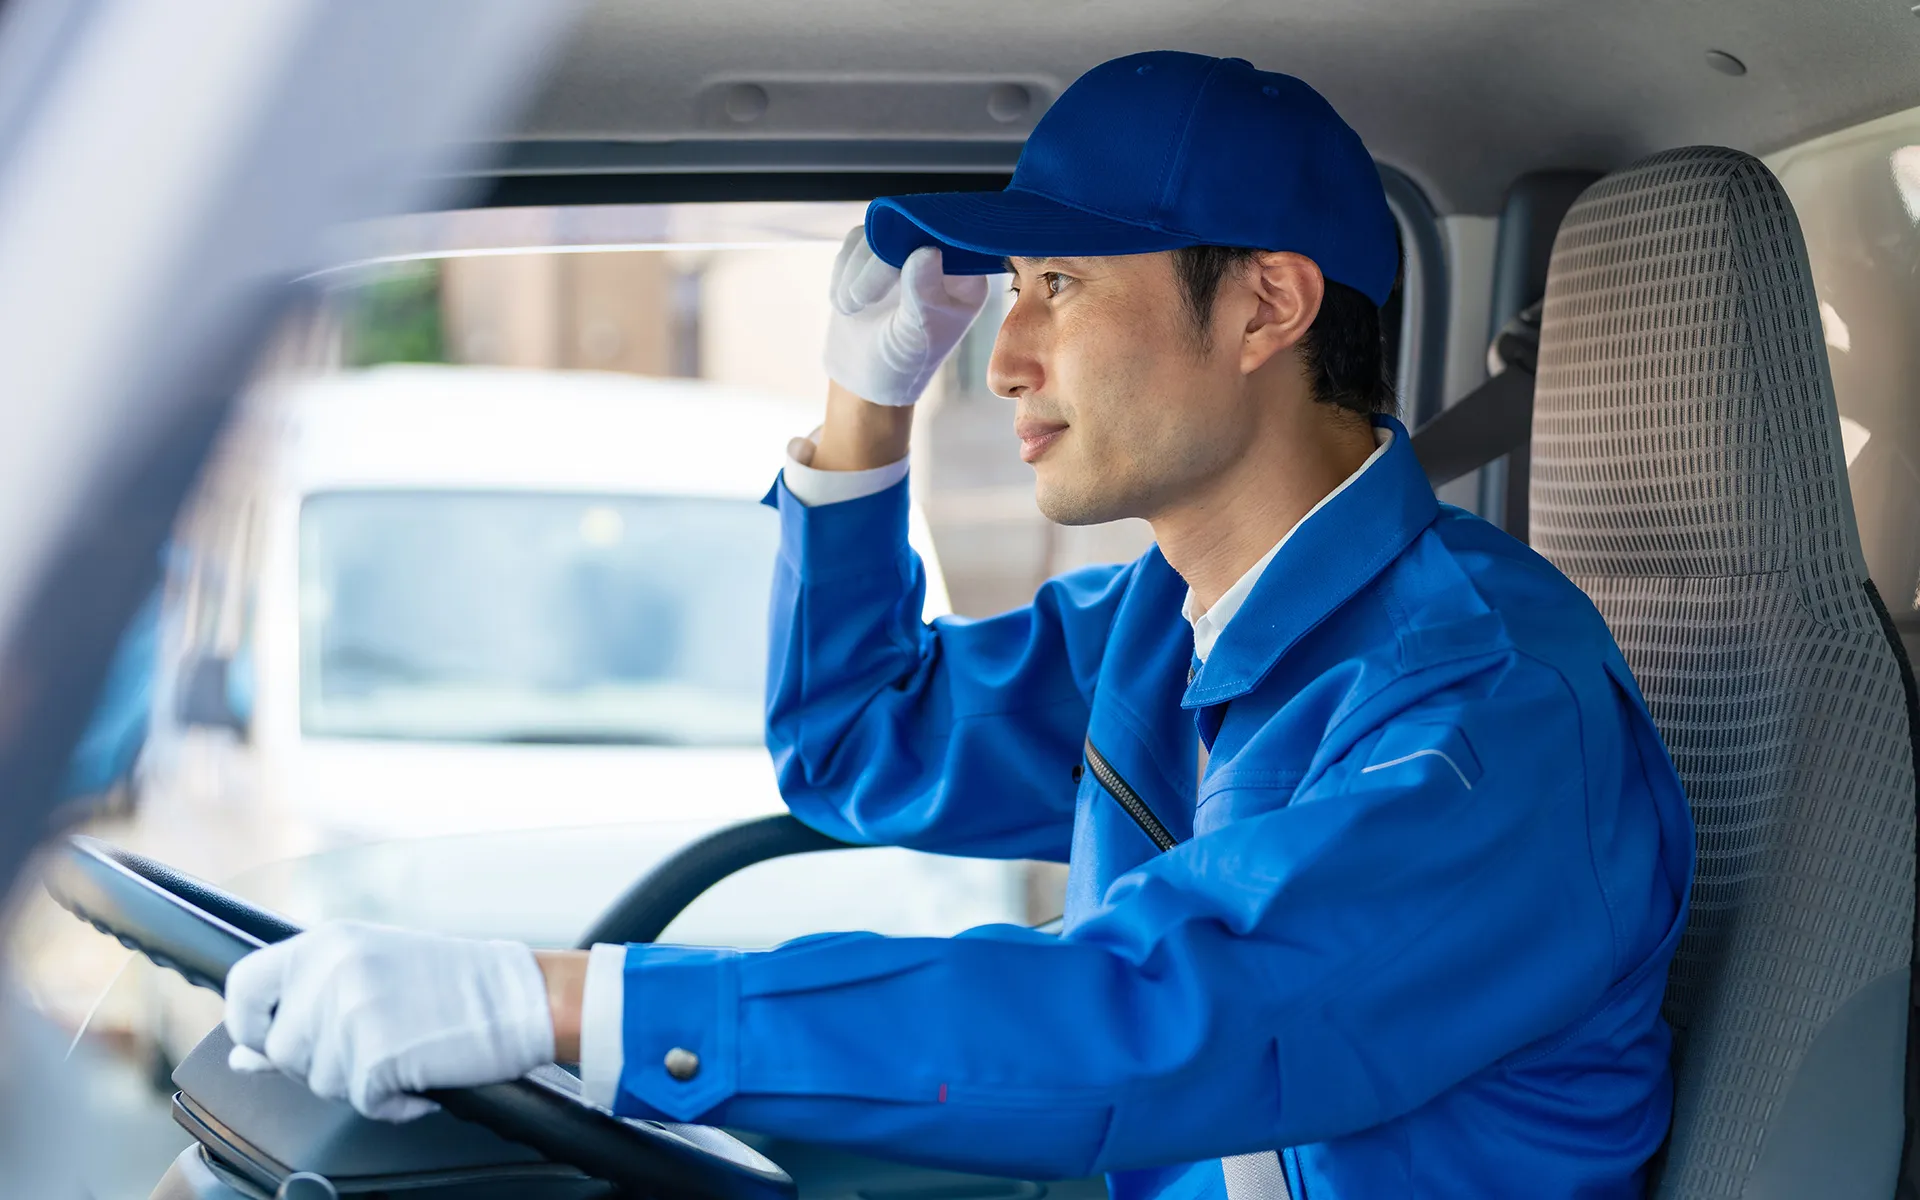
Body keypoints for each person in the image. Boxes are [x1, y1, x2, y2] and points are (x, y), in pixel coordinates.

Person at [221, 51, 1694, 1198]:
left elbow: (1170, 1012)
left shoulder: (1492, 711)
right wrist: (864, 409)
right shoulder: (1164, 628)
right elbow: (858, 747)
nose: (1007, 354)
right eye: (1012, 291)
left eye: (1059, 283)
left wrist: (559, 1002)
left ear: (1264, 308)